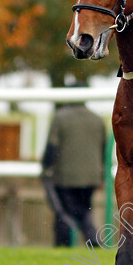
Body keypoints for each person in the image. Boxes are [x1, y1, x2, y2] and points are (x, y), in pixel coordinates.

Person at [41, 93, 107, 247]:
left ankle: (67, 244)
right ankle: (92, 239)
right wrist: (101, 175)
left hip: (65, 176)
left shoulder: (61, 118)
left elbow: (51, 147)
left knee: (64, 213)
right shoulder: (97, 120)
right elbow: (104, 149)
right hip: (91, 177)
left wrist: (45, 168)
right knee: (83, 209)